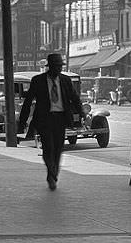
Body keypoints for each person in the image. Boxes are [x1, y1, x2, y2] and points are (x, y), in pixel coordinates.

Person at [18, 50, 83, 189]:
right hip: (44, 119)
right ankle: (52, 171)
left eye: (60, 66)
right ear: (50, 66)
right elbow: (28, 101)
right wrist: (22, 122)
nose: (58, 69)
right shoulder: (38, 80)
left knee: (58, 148)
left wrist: (81, 114)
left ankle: (52, 174)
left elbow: (74, 98)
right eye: (56, 66)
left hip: (60, 119)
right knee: (48, 147)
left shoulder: (65, 80)